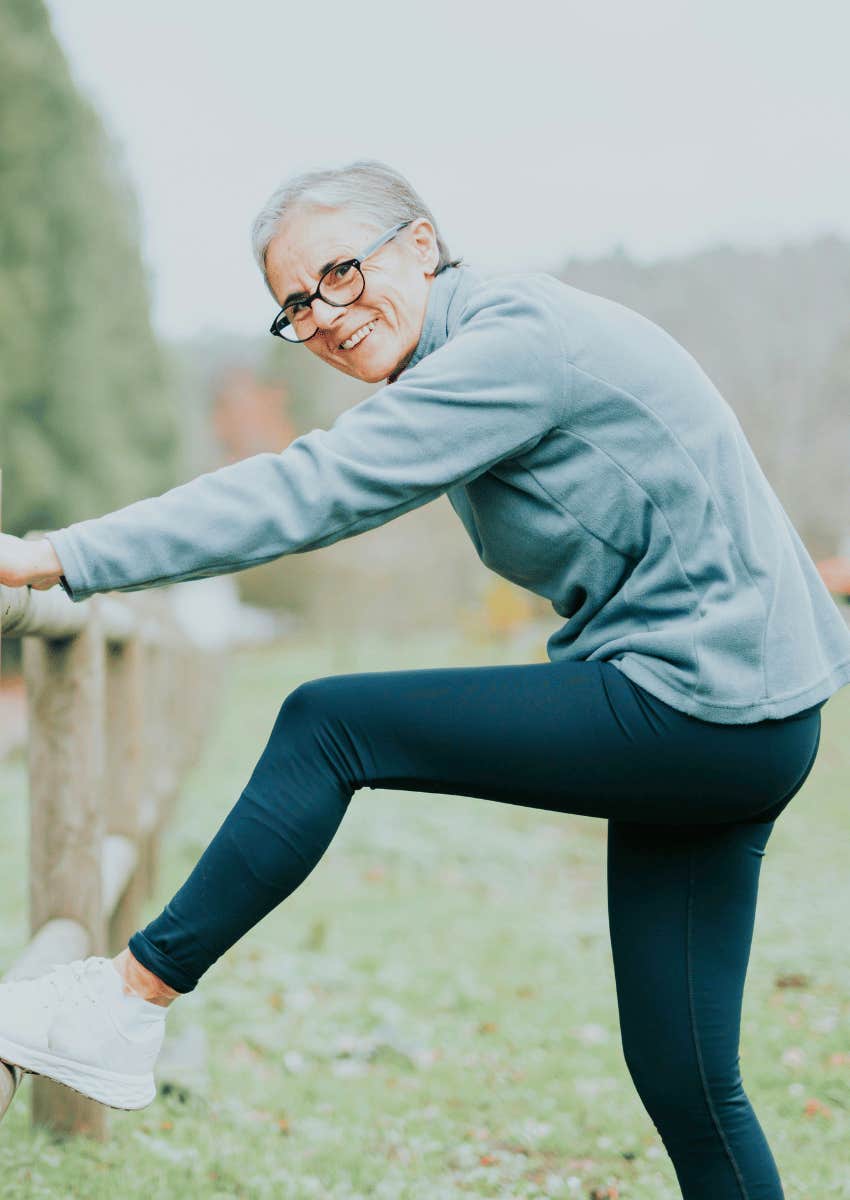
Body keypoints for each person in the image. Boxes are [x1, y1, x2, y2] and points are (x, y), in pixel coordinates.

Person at [1, 158, 849, 1198]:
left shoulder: (507, 344)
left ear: (418, 241)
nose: (324, 314)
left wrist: (53, 555)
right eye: (296, 306)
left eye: (339, 274)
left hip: (701, 703)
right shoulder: (472, 346)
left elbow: (312, 489)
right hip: (743, 715)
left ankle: (125, 1002)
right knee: (684, 1074)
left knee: (329, 724)